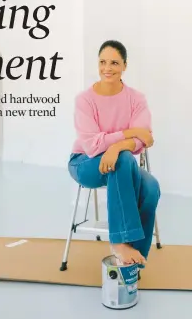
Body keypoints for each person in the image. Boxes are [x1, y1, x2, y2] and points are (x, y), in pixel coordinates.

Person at [68, 40, 160, 266]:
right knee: (124, 159)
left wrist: (117, 147)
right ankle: (119, 241)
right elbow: (91, 145)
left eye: (114, 63)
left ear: (125, 66)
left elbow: (144, 138)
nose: (107, 68)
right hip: (85, 163)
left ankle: (134, 261)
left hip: (122, 164)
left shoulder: (136, 99)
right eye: (102, 62)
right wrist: (130, 133)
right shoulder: (84, 100)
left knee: (150, 186)